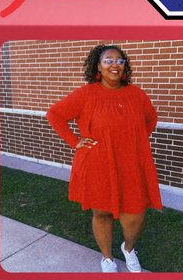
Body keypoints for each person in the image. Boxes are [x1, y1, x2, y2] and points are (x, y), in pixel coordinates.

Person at [46, 45, 161, 273]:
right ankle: (107, 257)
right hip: (97, 163)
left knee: (136, 215)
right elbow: (55, 114)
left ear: (124, 67)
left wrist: (134, 141)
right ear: (98, 66)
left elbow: (151, 118)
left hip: (131, 164)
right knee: (102, 212)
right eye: (109, 60)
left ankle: (128, 249)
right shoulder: (86, 93)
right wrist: (74, 140)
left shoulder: (137, 94)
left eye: (120, 61)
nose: (115, 65)